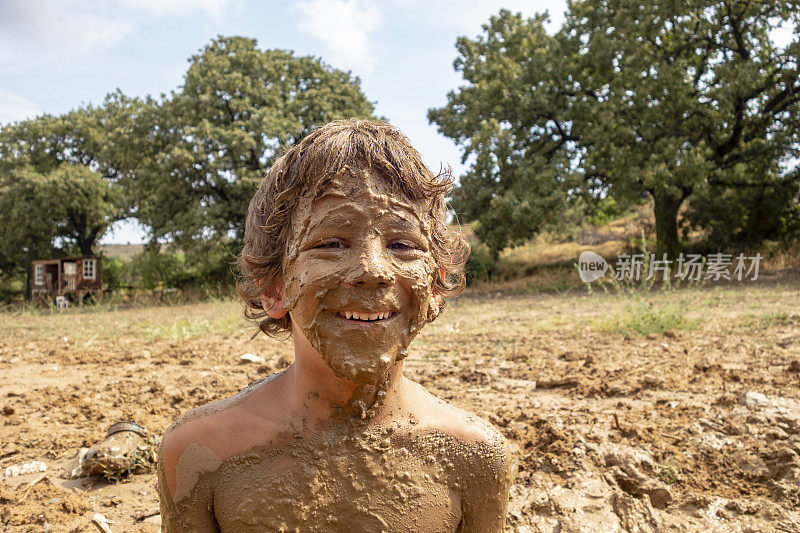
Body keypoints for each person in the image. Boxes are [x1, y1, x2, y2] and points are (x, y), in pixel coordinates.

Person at [156, 119, 515, 532]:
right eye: (330, 243)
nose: (373, 271)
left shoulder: (474, 457)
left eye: (402, 245)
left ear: (434, 287)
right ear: (273, 288)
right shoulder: (201, 454)